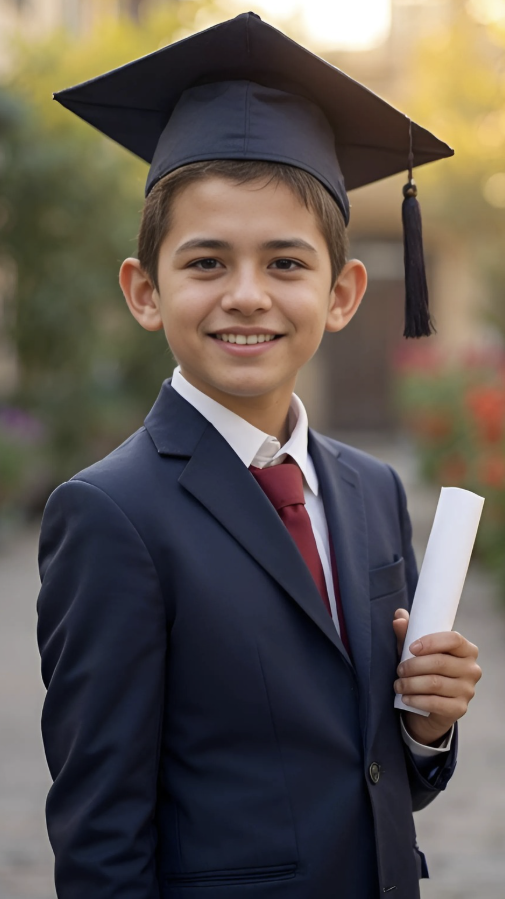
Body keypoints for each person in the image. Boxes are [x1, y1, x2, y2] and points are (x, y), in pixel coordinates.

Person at [37, 12, 482, 899]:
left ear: (342, 291)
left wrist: (425, 727)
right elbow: (101, 835)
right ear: (144, 291)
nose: (247, 296)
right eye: (205, 262)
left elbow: (372, 774)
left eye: (285, 263)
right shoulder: (111, 515)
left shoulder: (370, 489)